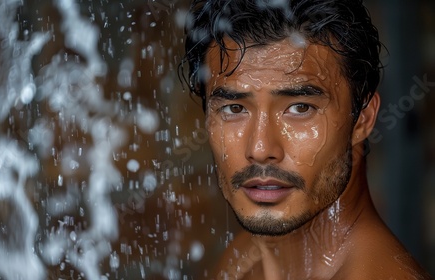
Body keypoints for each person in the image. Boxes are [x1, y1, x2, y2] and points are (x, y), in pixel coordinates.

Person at [181, 0, 431, 278]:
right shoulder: (244, 258)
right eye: (234, 108)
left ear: (363, 118)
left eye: (300, 108)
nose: (261, 149)